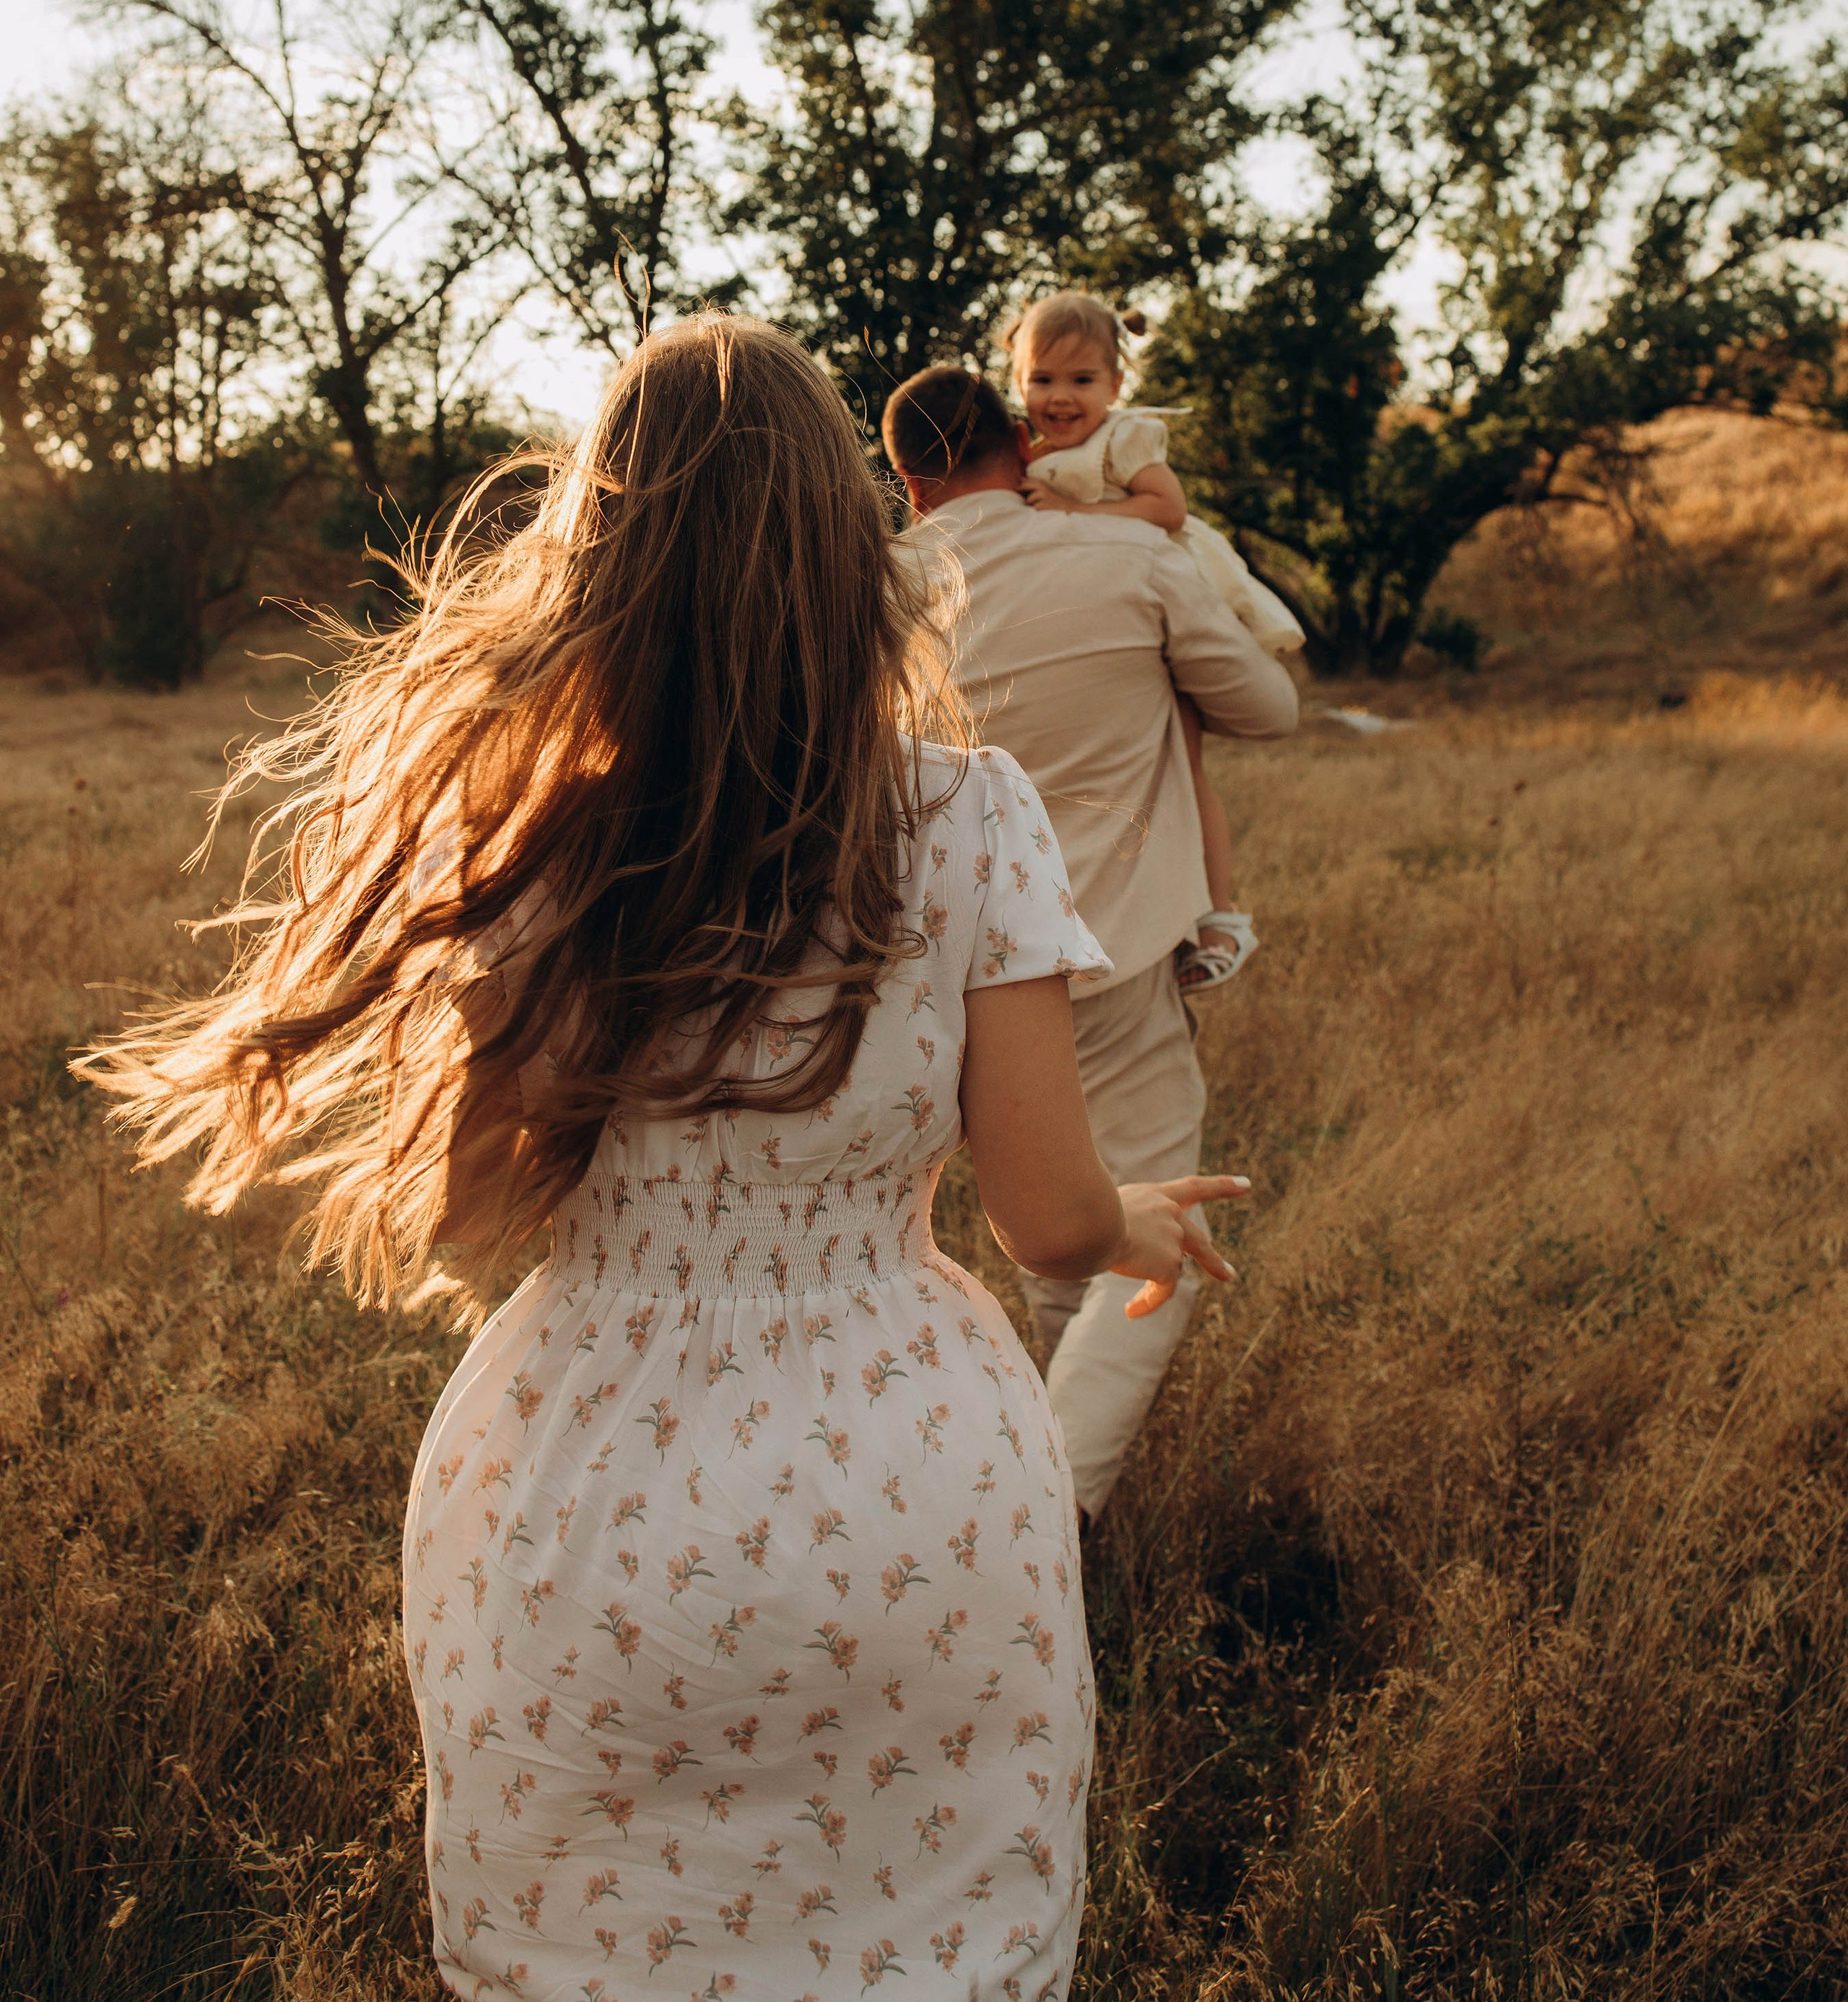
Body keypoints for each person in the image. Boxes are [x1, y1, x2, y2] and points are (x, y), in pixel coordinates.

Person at [81, 315, 1250, 2002]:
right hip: (905, 1484)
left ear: (598, 556)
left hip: (590, 1491)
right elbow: (1049, 1219)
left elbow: (485, 1216)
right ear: (853, 550)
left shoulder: (536, 833)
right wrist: (1134, 1211)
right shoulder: (969, 814)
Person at [881, 363, 1299, 1528]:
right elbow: (1269, 707)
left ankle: (1043, 1468)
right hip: (1115, 945)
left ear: (909, 478)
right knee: (1162, 1233)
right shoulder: (1137, 557)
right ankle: (1042, 1520)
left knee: (1056, 1218)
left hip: (950, 966)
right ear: (1024, 437)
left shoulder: (880, 586)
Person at [1004, 290, 1304, 993]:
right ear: (1018, 383)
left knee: (1185, 767)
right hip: (1120, 622)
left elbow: (1166, 508)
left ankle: (1220, 914)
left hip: (1173, 609)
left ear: (1116, 384)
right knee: (1148, 772)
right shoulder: (1035, 452)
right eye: (1042, 379)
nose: (1061, 396)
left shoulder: (1123, 439)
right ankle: (1159, 909)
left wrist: (1076, 510)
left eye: (1082, 380)